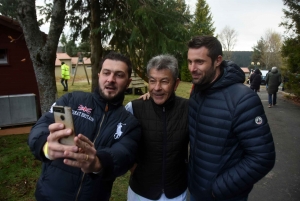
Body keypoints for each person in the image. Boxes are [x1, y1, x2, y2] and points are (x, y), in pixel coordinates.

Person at [28, 52, 141, 201]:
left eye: (119, 75)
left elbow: (124, 154)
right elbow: (41, 125)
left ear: (128, 82)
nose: (111, 79)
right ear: (99, 74)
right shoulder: (71, 100)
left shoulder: (130, 123)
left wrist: (97, 163)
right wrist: (45, 146)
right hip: (49, 195)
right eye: (106, 73)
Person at [187, 36, 275, 201]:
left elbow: (263, 157)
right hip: (196, 190)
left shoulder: (243, 99)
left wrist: (219, 189)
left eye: (199, 62)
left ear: (217, 60)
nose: (192, 68)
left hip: (223, 195)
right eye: (190, 61)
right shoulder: (197, 92)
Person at [125, 55, 189, 201]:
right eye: (152, 81)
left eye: (164, 81)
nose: (157, 88)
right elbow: (121, 143)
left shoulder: (188, 109)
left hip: (176, 193)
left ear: (176, 83)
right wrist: (132, 166)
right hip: (141, 192)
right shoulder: (134, 108)